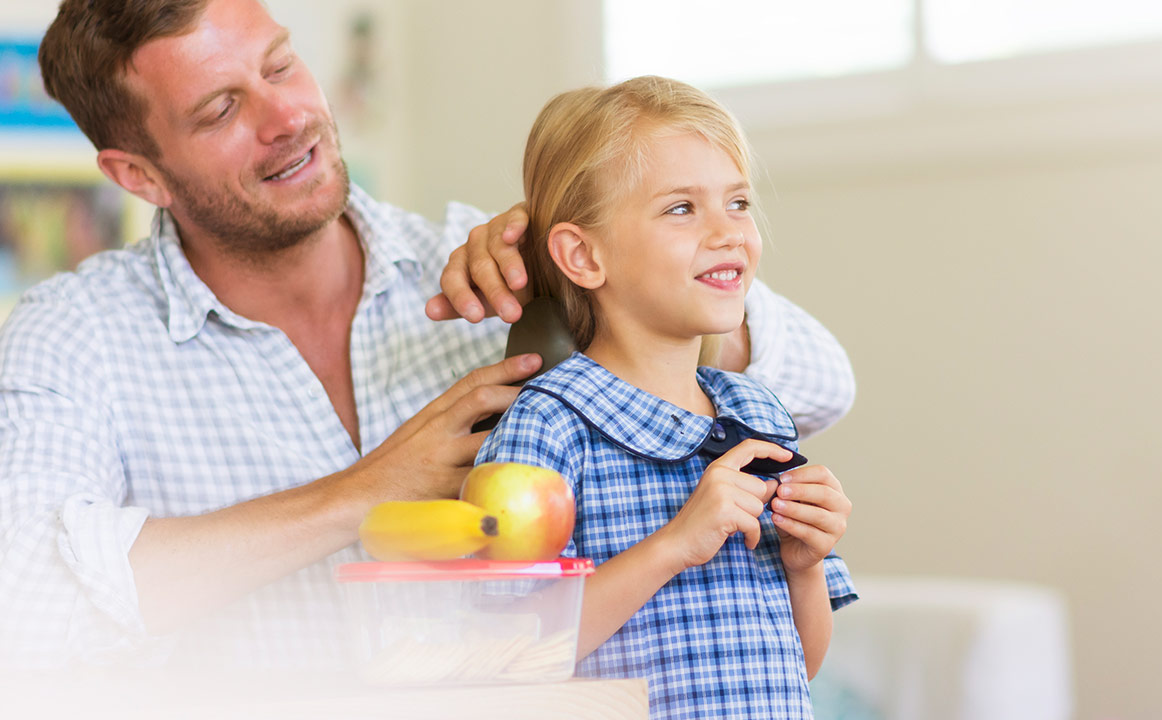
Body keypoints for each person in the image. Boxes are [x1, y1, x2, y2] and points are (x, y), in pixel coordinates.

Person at [0, 0, 854, 671]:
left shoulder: (499, 274)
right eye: (222, 108)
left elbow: (820, 385)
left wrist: (605, 274)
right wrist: (357, 495)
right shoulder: (76, 338)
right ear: (136, 174)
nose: (286, 117)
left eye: (282, 65)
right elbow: (25, 613)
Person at [474, 76, 856, 719]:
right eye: (682, 208)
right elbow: (508, 652)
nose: (730, 231)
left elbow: (801, 666)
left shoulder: (758, 415)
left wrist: (804, 564)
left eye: (738, 202)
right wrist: (675, 543)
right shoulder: (547, 425)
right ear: (583, 255)